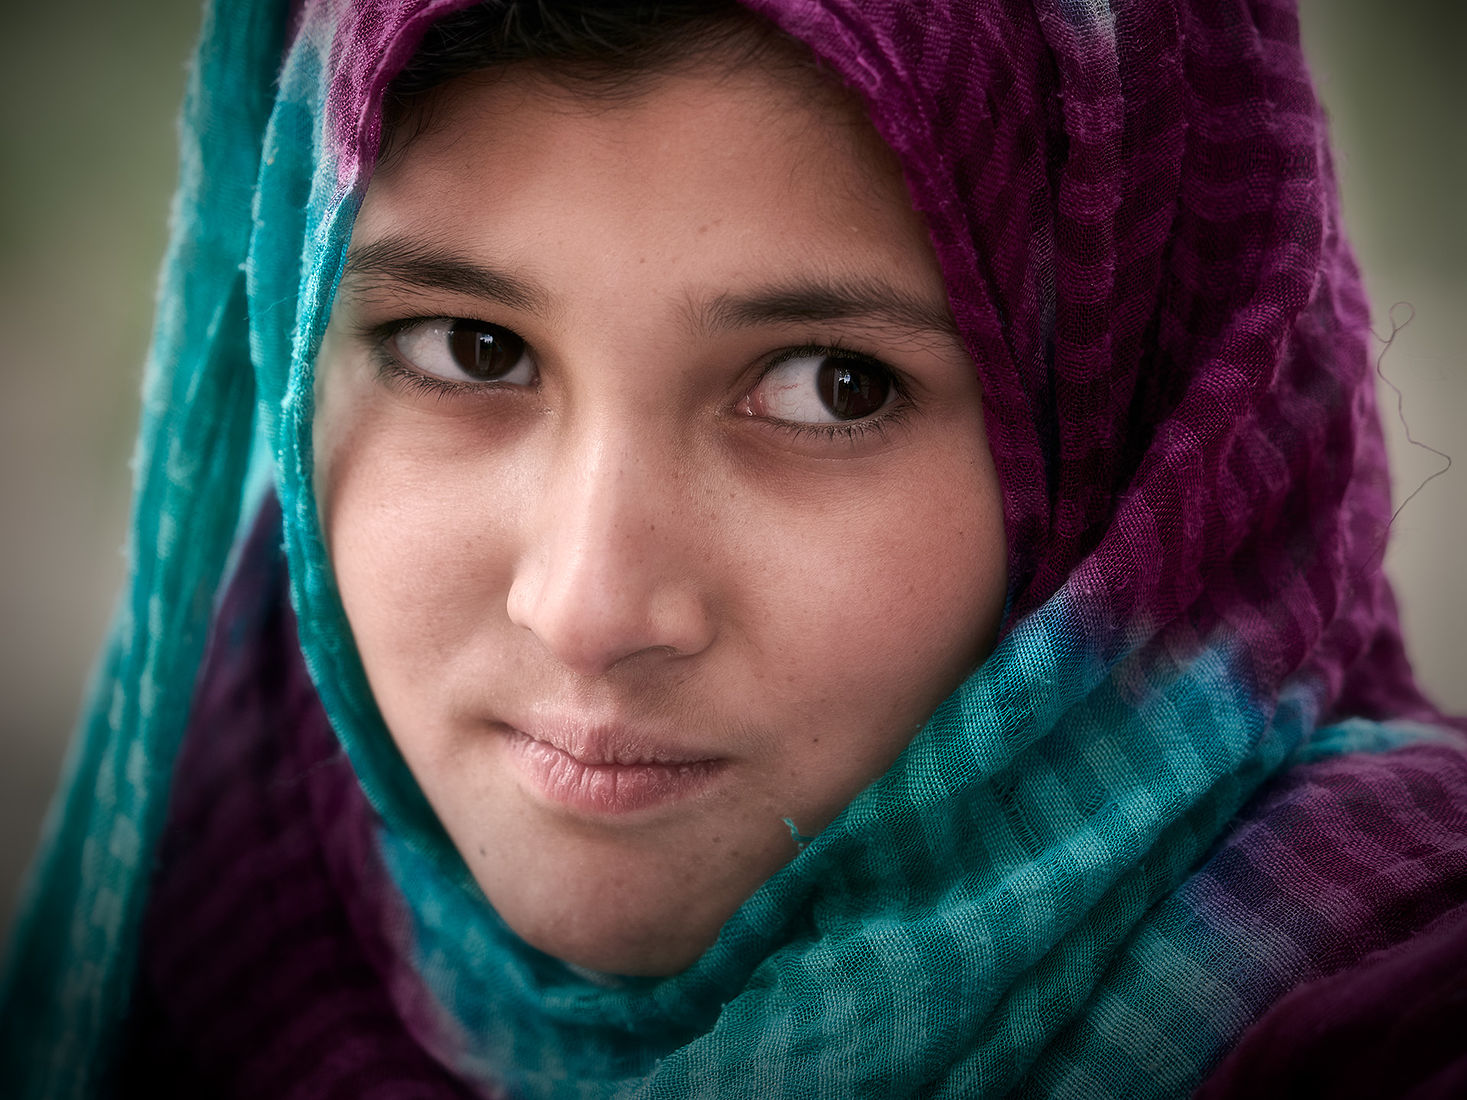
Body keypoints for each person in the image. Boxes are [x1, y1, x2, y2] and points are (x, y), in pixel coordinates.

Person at [2, 0, 1464, 1096]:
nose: (589, 607)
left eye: (831, 385)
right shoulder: (238, 879)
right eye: (471, 348)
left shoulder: (1368, 998)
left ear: (1146, 447)